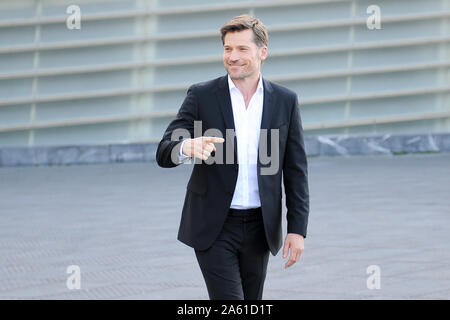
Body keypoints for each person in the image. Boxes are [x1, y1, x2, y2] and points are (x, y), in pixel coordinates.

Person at [156, 14, 309, 300]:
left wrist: (297, 229)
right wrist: (186, 146)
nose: (233, 56)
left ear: (262, 52)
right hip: (214, 225)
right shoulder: (202, 95)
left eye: (242, 49)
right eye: (227, 49)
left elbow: (295, 170)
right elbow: (165, 148)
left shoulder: (284, 101)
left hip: (260, 228)